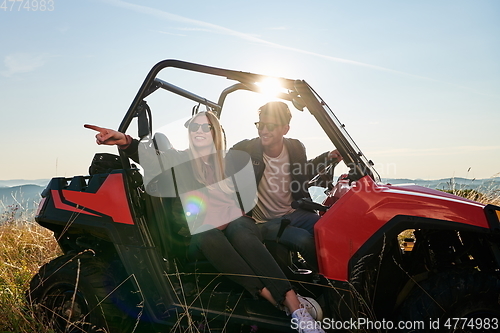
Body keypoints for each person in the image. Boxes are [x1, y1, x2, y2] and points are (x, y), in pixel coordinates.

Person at [84, 111, 325, 333]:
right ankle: (286, 304)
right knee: (207, 233)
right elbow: (153, 158)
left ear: (215, 132)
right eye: (194, 127)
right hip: (204, 235)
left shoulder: (228, 160)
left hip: (236, 224)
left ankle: (293, 306)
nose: (199, 131)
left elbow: (261, 172)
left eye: (206, 127)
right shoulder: (181, 161)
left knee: (240, 228)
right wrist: (125, 141)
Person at [231, 101, 343, 272]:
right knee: (304, 240)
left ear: (285, 129)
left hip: (293, 212)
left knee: (328, 229)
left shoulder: (295, 148)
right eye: (260, 125)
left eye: (270, 126)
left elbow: (304, 171)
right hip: (263, 221)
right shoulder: (245, 149)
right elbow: (220, 168)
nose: (263, 131)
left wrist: (327, 157)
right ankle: (327, 282)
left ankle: (342, 275)